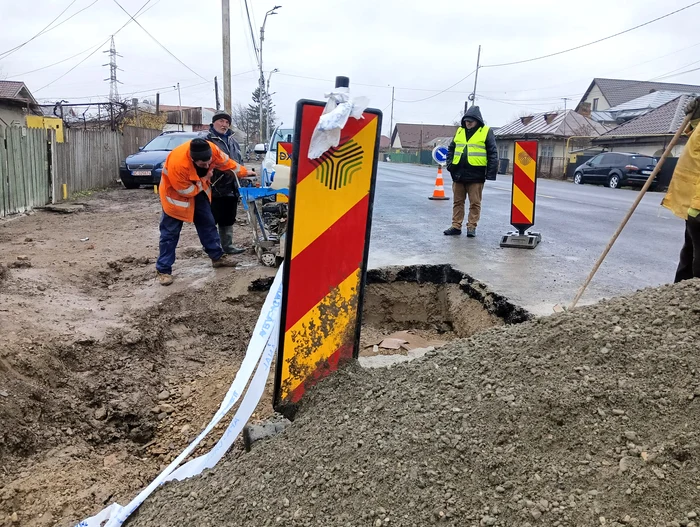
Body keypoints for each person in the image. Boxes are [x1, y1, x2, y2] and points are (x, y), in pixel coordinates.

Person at [155, 138, 248, 286]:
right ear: (192, 159)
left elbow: (227, 164)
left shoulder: (213, 149)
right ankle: (164, 270)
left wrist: (244, 172)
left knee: (208, 224)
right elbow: (186, 191)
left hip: (198, 191)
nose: (206, 165)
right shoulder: (178, 164)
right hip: (176, 197)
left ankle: (217, 257)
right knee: (169, 234)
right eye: (202, 164)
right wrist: (205, 178)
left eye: (208, 162)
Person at [661, 96, 700, 283]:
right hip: (693, 202)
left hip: (698, 206)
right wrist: (695, 120)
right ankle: (677, 302)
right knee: (689, 256)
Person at [443, 106, 498, 238]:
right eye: (466, 121)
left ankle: (471, 227)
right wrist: (450, 164)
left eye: (471, 121)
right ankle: (456, 226)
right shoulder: (460, 131)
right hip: (458, 173)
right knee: (458, 202)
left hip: (476, 174)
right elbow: (451, 149)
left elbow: (492, 153)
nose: (468, 123)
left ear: (477, 121)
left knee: (475, 203)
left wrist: (490, 173)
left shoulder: (485, 131)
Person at [201, 112, 246, 254]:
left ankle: (228, 246)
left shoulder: (233, 141)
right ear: (213, 123)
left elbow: (239, 162)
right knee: (211, 219)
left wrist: (242, 181)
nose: (224, 125)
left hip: (231, 187)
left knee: (228, 218)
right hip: (213, 187)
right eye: (221, 121)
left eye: (227, 122)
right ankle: (212, 248)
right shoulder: (207, 140)